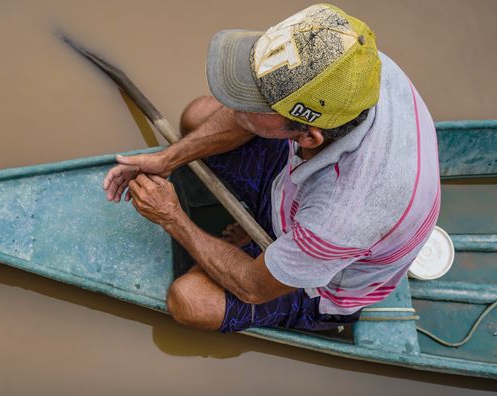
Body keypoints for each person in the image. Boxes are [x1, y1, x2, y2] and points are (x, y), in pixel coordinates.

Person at [103, 4, 440, 333]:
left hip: (321, 282)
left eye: (255, 104)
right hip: (298, 190)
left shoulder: (341, 218)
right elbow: (240, 114)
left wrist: (171, 217)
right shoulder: (353, 67)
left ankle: (286, 265)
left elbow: (254, 287)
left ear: (308, 136)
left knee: (189, 301)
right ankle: (267, 223)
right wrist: (168, 160)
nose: (236, 107)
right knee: (197, 116)